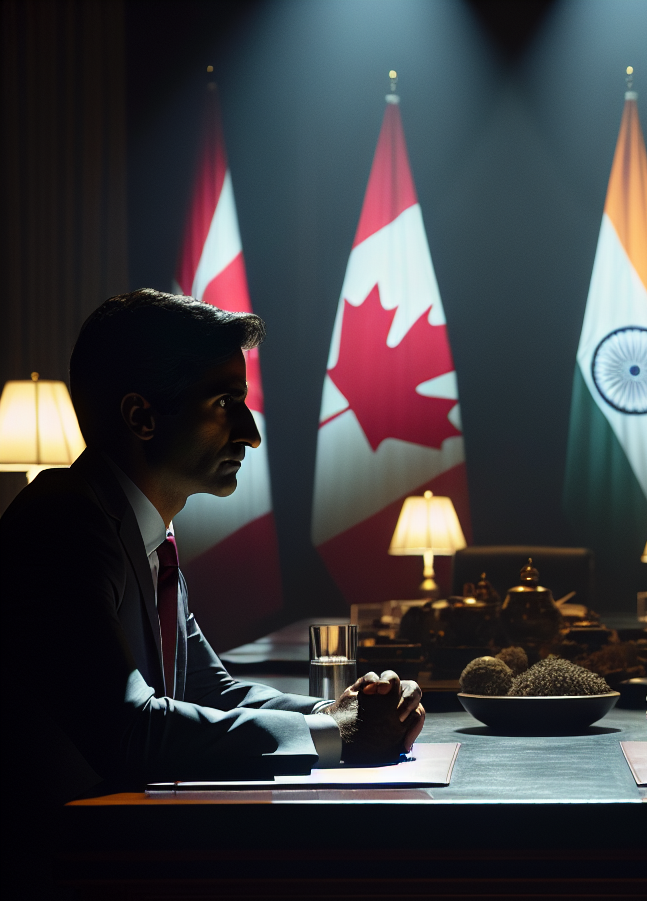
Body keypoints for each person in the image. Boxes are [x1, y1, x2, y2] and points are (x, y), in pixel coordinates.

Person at [0, 289, 425, 804]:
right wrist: (336, 736)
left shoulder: (144, 533)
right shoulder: (63, 522)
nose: (250, 433)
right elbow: (129, 729)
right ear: (141, 417)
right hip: (54, 867)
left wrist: (331, 712)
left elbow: (212, 692)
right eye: (226, 403)